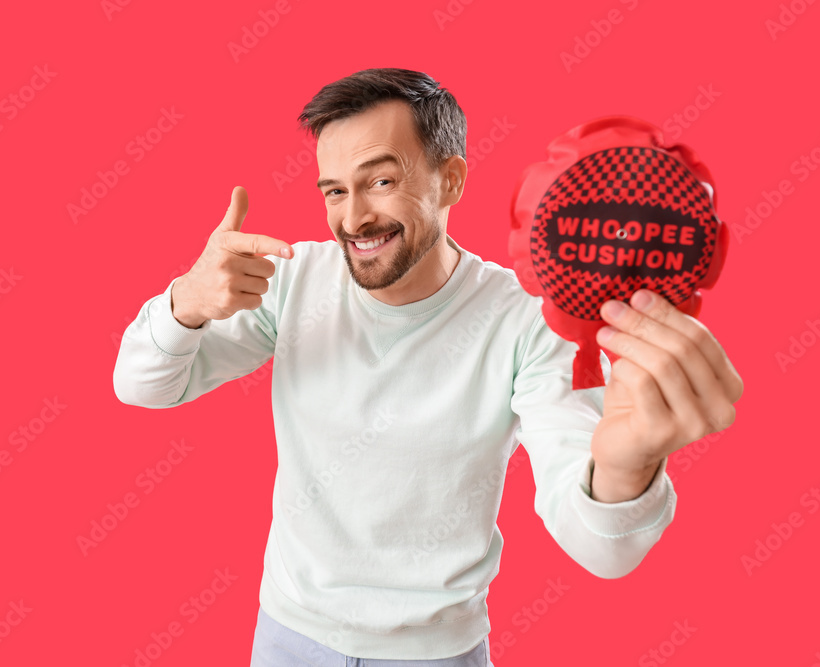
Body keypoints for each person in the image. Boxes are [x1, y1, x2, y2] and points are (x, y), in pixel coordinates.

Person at [113, 68, 743, 666]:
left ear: (451, 180)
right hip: (287, 637)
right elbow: (142, 386)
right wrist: (185, 304)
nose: (353, 216)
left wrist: (627, 462)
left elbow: (604, 549)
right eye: (335, 190)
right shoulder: (293, 280)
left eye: (381, 181)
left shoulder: (526, 320)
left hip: (437, 654)